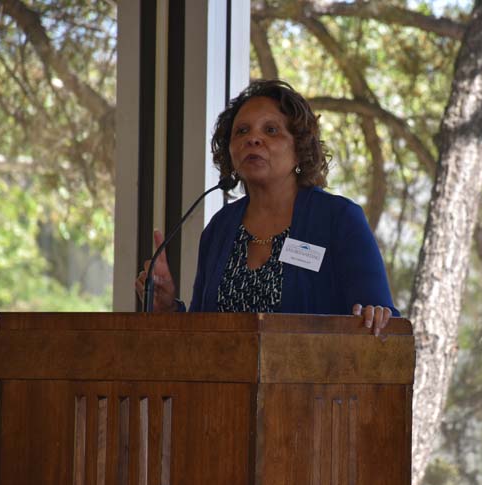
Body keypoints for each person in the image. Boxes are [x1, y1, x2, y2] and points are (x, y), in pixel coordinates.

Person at [135, 79, 398, 334]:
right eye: (242, 131)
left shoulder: (338, 219)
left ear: (300, 148)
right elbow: (201, 335)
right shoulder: (220, 228)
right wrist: (167, 308)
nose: (253, 139)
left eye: (270, 130)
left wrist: (377, 316)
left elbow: (380, 321)